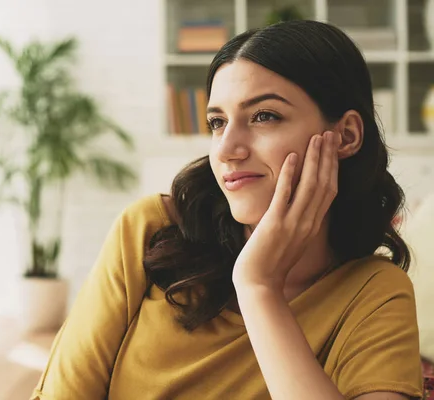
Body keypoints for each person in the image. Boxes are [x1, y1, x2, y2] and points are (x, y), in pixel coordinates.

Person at [30, 20, 424, 399]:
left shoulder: (375, 292)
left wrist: (258, 287)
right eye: (217, 122)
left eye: (264, 116)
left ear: (346, 135)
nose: (227, 149)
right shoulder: (148, 230)